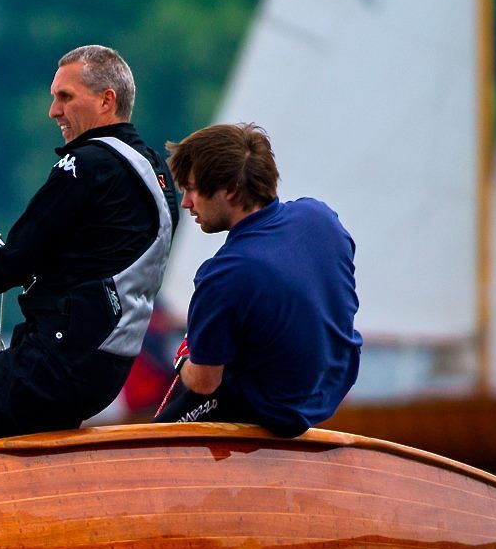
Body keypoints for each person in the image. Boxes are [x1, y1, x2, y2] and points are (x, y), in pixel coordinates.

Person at [0, 45, 178, 450]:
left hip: (54, 366)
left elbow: (19, 256)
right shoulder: (154, 171)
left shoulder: (87, 164)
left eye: (65, 97)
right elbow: (91, 254)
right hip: (106, 371)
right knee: (2, 460)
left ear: (107, 101)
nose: (53, 110)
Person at [154, 122, 361, 435]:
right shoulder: (320, 217)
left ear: (231, 190)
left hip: (273, 411)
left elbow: (205, 382)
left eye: (193, 189)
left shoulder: (225, 273)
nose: (185, 203)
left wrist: (181, 360)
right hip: (329, 391)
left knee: (153, 444)